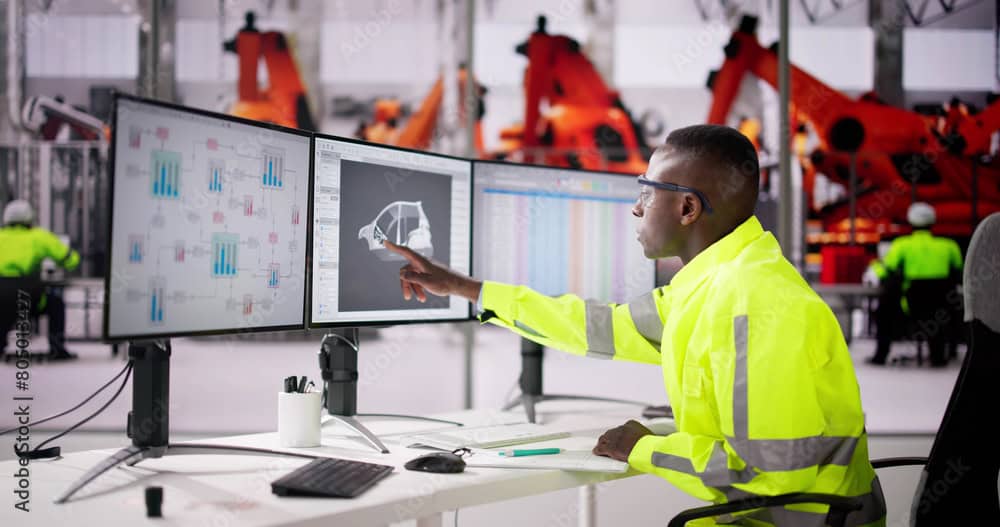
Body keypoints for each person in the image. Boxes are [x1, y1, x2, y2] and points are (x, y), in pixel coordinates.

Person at [384, 125, 885, 526]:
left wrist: (645, 447)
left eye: (647, 191)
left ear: (687, 207)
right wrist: (469, 289)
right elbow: (601, 327)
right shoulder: (716, 285)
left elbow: (768, 474)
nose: (636, 207)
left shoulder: (757, 307)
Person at [869, 202, 963, 367]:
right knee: (941, 314)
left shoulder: (902, 245)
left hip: (911, 304)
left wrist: (875, 267)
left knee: (883, 313)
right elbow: (959, 272)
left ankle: (880, 356)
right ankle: (939, 356)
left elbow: (887, 270)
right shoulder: (949, 246)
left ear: (910, 222)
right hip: (941, 306)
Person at [0, 200, 80, 360]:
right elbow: (71, 260)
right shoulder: (40, 237)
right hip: (29, 300)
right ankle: (57, 349)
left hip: (1, 299)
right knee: (56, 304)